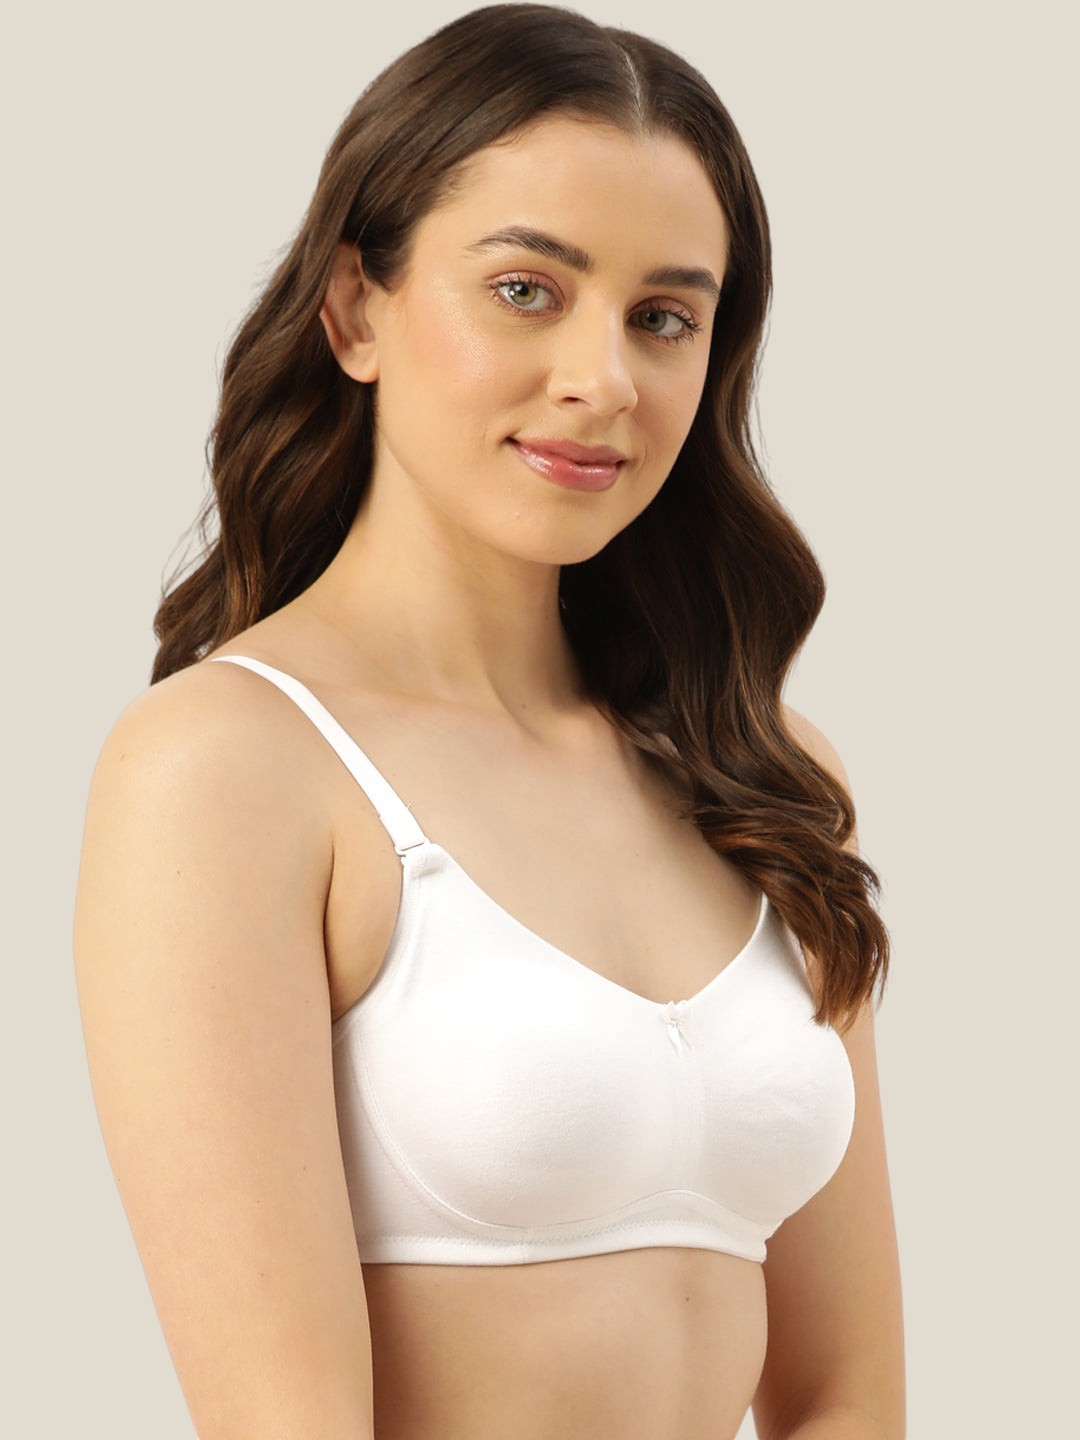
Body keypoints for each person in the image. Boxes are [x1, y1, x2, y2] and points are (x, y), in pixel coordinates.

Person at [73, 5, 905, 1437]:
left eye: (663, 318)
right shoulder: (230, 767)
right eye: (527, 289)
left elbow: (848, 1392)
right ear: (356, 309)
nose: (604, 380)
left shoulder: (760, 770)